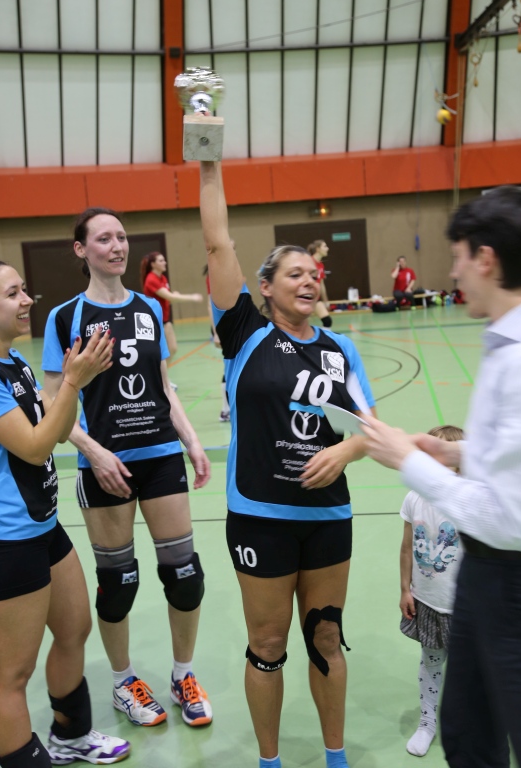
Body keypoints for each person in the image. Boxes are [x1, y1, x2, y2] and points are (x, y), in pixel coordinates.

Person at [200, 160, 376, 768]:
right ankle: (270, 761)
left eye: (314, 274)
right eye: (294, 273)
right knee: (269, 642)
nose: (309, 281)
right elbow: (217, 242)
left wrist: (345, 449)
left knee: (326, 635)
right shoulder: (243, 333)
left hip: (327, 518)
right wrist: (209, 162)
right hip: (261, 519)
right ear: (266, 287)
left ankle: (335, 757)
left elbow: (369, 430)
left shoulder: (339, 349)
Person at [363, 186, 521, 767]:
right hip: (487, 577)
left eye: (458, 256)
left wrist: (409, 463)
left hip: (515, 580)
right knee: (466, 732)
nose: (453, 271)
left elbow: (512, 517)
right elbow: (515, 459)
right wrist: (453, 453)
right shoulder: (506, 342)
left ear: (486, 258)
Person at [42, 208, 213, 731]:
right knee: (118, 582)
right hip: (105, 465)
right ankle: (123, 682)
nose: (116, 246)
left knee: (185, 574)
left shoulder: (148, 308)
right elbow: (52, 403)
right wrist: (93, 452)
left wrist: (191, 439)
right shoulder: (65, 317)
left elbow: (163, 386)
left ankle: (183, 675)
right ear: (81, 249)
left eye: (121, 237)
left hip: (160, 457)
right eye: (103, 238)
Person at [0, 261, 130, 767]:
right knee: (12, 674)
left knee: (74, 628)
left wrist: (76, 382)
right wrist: (73, 382)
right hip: (9, 540)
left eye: (24, 290)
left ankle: (70, 736)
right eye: (13, 293)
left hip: (43, 526)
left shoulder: (15, 362)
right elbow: (34, 448)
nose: (26, 300)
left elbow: (53, 430)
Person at [399, 424, 463, 757]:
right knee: (431, 662)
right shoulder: (414, 499)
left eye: (446, 455)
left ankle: (466, 724)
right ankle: (426, 722)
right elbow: (406, 548)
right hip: (427, 601)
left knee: (470, 670)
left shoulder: (467, 502)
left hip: (464, 608)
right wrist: (405, 589)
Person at [140, 251, 203, 362]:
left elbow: (167, 299)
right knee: (159, 352)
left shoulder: (163, 278)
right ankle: (159, 373)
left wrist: (174, 296)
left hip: (165, 319)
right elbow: (170, 297)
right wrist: (192, 297)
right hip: (153, 320)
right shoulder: (151, 279)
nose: (165, 262)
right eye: (161, 261)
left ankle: (163, 373)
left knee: (172, 349)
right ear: (153, 264)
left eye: (164, 260)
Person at [204, 263, 231, 422]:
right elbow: (210, 304)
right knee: (229, 365)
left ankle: (229, 408)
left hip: (233, 324)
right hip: (224, 326)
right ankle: (225, 410)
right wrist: (215, 332)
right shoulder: (214, 275)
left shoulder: (229, 270)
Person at [307, 240, 332, 328]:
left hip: (315, 299)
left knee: (327, 321)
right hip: (306, 297)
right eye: (325, 246)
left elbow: (321, 284)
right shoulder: (309, 262)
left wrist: (326, 301)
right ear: (318, 249)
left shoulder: (321, 265)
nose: (327, 248)